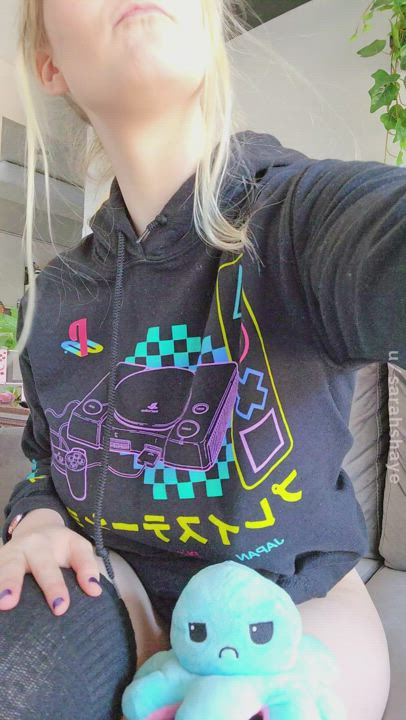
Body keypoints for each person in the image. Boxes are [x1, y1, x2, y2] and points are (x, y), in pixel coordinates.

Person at [1, 0, 405, 718]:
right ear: (49, 64)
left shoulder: (303, 218)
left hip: (295, 598)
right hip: (118, 584)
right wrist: (36, 520)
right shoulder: (54, 300)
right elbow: (44, 462)